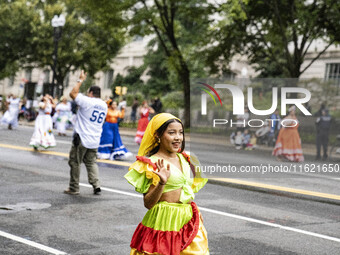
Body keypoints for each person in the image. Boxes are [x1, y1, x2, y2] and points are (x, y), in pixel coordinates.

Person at [125, 113, 209, 254]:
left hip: (188, 219)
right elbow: (148, 204)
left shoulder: (188, 158)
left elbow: (186, 189)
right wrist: (162, 183)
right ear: (158, 135)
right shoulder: (152, 163)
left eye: (180, 133)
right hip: (164, 222)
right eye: (171, 133)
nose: (178, 137)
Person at [64, 70, 108, 195]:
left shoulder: (88, 101)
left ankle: (74, 188)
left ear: (91, 93)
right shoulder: (104, 105)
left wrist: (80, 80)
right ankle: (96, 184)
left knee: (75, 162)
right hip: (95, 139)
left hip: (82, 137)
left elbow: (72, 93)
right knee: (91, 162)